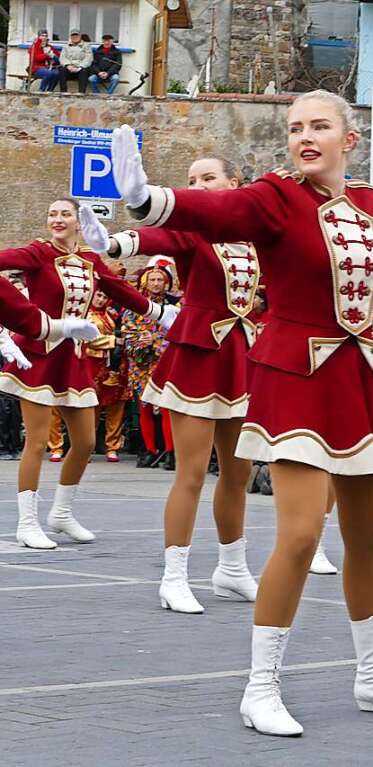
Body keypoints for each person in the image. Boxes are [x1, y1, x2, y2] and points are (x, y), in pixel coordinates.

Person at [109, 90, 373, 735]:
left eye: (320, 126)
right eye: (296, 126)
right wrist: (151, 200)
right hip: (295, 378)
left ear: (348, 139)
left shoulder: (369, 205)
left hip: (363, 380)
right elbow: (220, 211)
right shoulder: (276, 196)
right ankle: (261, 687)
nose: (306, 136)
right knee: (301, 536)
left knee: (364, 538)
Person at [85, 157, 264, 615]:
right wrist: (115, 242)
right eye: (191, 180)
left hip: (243, 358)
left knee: (238, 474)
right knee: (191, 472)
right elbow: (156, 235)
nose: (198, 185)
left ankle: (232, 568)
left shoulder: (259, 233)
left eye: (208, 177)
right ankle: (175, 577)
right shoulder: (193, 228)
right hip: (198, 357)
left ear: (234, 181)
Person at [0, 197, 173, 550]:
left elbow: (120, 290)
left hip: (75, 358)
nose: (57, 219)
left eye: (65, 214)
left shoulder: (92, 260)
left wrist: (160, 313)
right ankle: (27, 522)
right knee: (36, 442)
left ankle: (61, 513)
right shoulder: (37, 253)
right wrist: (27, 320)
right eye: (52, 213)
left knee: (84, 442)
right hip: (40, 353)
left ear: (80, 222)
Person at [121, 264, 176, 469]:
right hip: (141, 366)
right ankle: (149, 451)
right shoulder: (134, 309)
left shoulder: (173, 309)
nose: (155, 283)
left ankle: (170, 452)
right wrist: (144, 343)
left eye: (159, 280)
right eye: (152, 279)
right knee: (144, 407)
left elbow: (175, 335)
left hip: (165, 365)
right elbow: (129, 336)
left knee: (166, 408)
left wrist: (154, 341)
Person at [83, 290, 128, 462]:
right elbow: (87, 339)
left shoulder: (110, 315)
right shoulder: (84, 315)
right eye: (98, 296)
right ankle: (86, 446)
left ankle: (112, 446)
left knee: (115, 404)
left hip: (112, 364)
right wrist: (112, 341)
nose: (101, 300)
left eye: (104, 296)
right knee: (91, 406)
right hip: (92, 365)